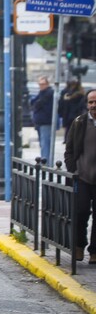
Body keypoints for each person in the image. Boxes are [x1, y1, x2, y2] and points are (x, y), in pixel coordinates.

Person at [64, 89, 96, 265]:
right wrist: (73, 171)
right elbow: (69, 150)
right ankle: (78, 247)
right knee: (80, 213)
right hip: (82, 178)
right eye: (91, 102)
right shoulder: (79, 122)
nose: (93, 105)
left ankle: (94, 252)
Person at [30, 76, 54, 163]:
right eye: (40, 84)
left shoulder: (48, 93)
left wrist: (37, 104)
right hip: (40, 121)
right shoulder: (41, 93)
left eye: (43, 84)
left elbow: (38, 104)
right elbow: (33, 102)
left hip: (45, 121)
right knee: (43, 143)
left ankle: (46, 162)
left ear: (47, 84)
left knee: (45, 143)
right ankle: (45, 160)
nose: (41, 86)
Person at [58, 77, 85, 142]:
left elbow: (61, 103)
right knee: (73, 129)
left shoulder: (65, 92)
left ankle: (68, 140)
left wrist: (60, 112)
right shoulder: (80, 93)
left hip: (69, 114)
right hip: (73, 113)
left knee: (69, 129)